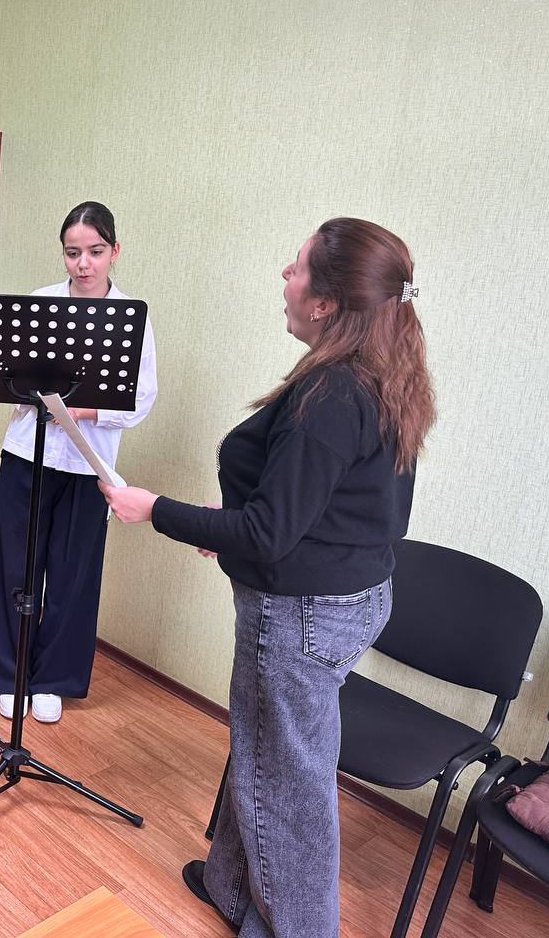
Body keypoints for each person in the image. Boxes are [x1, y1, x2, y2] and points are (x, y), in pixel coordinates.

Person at [101, 217, 435, 937]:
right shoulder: (385, 374)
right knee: (264, 754)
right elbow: (333, 509)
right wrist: (240, 530)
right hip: (348, 599)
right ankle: (231, 887)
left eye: (297, 266)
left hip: (302, 615)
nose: (285, 275)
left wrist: (154, 509)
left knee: (288, 789)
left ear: (325, 302)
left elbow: (269, 531)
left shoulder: (333, 396)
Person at [0, 201, 157, 724]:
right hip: (26, 456)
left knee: (72, 576)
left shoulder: (131, 317)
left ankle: (53, 679)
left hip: (87, 466)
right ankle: (10, 676)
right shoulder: (40, 303)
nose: (83, 264)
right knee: (15, 568)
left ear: (114, 252)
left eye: (95, 252)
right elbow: (8, 376)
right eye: (73, 252)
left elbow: (141, 398)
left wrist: (84, 411)